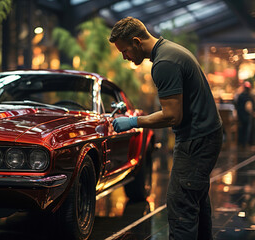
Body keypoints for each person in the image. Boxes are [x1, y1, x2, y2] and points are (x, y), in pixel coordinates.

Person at [109, 17, 223, 240]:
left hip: (197, 139)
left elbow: (172, 115)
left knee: (181, 205)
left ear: (136, 41)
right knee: (195, 201)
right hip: (205, 134)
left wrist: (134, 122)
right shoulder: (169, 51)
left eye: (125, 51)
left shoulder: (164, 63)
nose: (125, 57)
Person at [235, 81, 254, 148]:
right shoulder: (250, 96)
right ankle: (244, 143)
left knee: (241, 129)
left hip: (242, 115)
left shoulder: (241, 96)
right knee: (246, 129)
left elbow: (237, 105)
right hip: (247, 116)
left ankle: (241, 143)